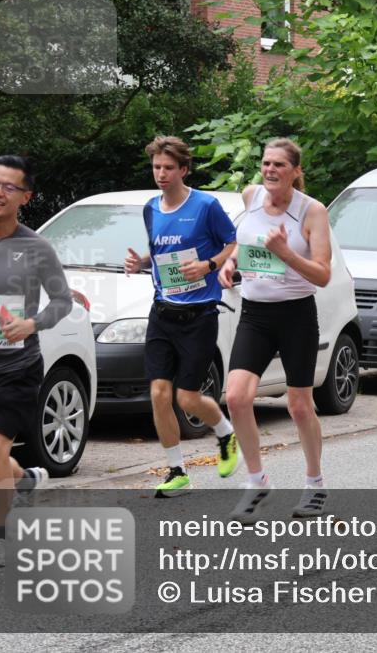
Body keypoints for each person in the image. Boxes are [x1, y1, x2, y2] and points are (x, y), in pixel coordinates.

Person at [219, 139, 332, 522]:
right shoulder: (251, 197)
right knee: (236, 397)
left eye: (279, 165)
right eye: (266, 163)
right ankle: (256, 481)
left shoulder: (312, 212)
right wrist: (230, 262)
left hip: (296, 314)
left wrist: (287, 254)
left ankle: (314, 483)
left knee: (299, 405)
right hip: (255, 313)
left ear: (295, 171)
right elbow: (241, 242)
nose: (270, 170)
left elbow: (323, 274)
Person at [0, 156, 71, 568]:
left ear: (25, 196)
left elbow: (63, 301)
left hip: (17, 368)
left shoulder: (35, 247)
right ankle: (27, 479)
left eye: (9, 187)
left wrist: (32, 323)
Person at [124, 136, 238, 497]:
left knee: (187, 398)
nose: (161, 173)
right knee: (159, 393)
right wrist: (140, 262)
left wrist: (209, 264)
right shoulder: (150, 208)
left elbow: (233, 243)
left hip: (200, 315)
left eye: (168, 168)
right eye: (157, 167)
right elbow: (159, 251)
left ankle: (225, 433)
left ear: (183, 170)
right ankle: (178, 471)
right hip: (162, 312)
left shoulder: (206, 205)